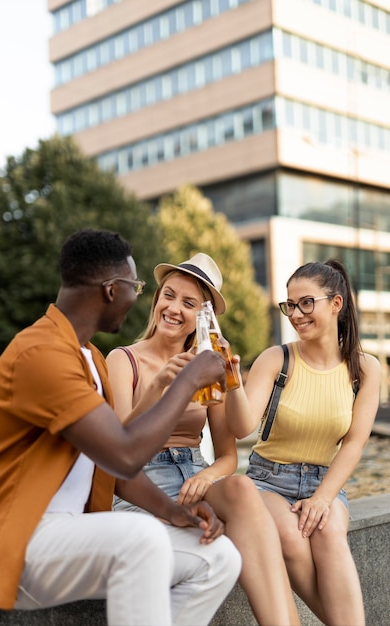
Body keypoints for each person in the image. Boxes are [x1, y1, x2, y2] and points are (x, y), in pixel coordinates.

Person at [0, 229, 242, 626]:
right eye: (135, 286)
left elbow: (110, 468)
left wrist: (175, 512)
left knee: (219, 558)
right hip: (14, 540)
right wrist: (186, 381)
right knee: (141, 537)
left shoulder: (89, 358)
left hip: (68, 534)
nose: (139, 298)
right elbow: (125, 454)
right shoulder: (41, 353)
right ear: (111, 290)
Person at [106, 253, 300, 626]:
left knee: (243, 488)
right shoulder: (123, 360)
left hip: (194, 477)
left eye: (189, 303)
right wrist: (162, 384)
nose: (173, 308)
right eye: (168, 295)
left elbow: (228, 456)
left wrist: (206, 477)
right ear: (157, 299)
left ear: (203, 317)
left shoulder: (208, 365)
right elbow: (119, 445)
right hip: (142, 483)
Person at [226, 259, 381, 626]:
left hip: (326, 481)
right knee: (293, 538)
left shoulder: (366, 369)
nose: (295, 314)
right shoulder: (276, 359)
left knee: (328, 532)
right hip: (267, 481)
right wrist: (232, 382)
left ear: (336, 303)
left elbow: (355, 443)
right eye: (290, 305)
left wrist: (324, 497)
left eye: (306, 303)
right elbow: (241, 426)